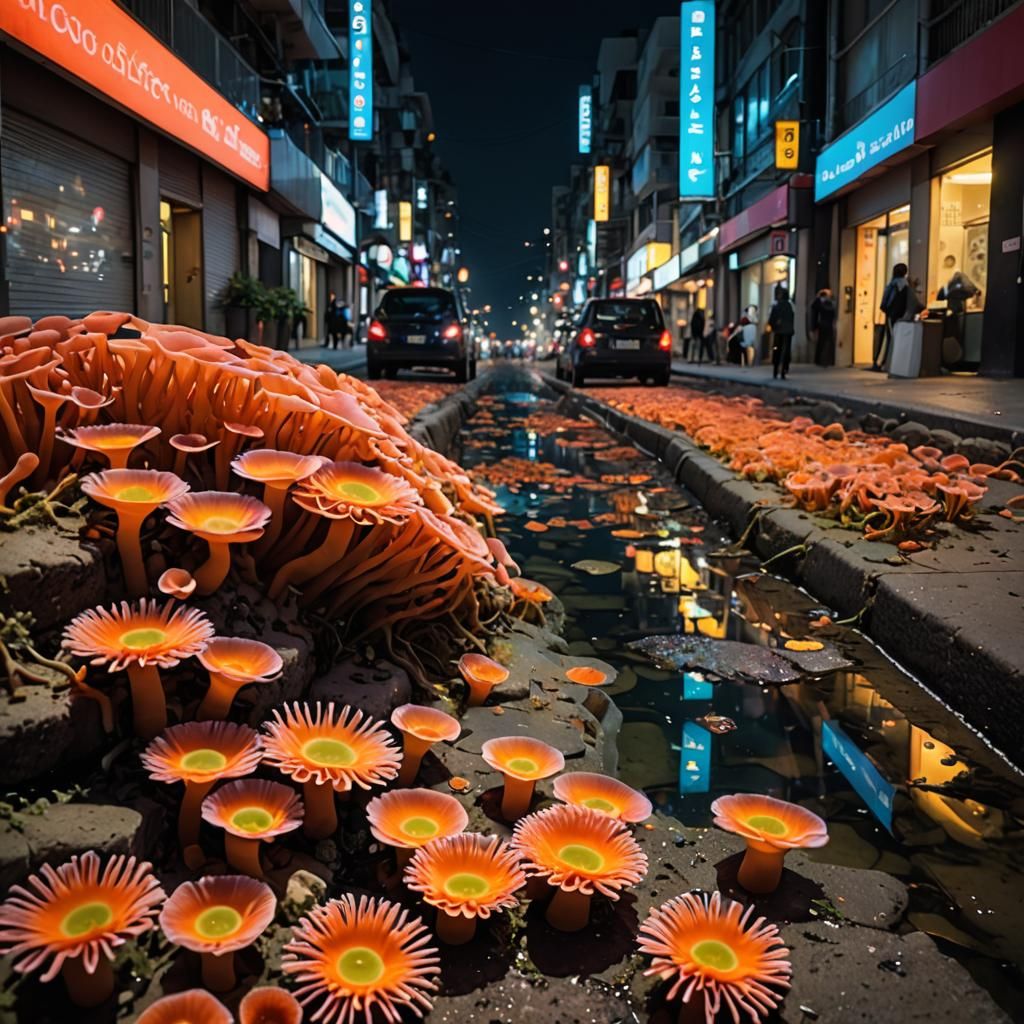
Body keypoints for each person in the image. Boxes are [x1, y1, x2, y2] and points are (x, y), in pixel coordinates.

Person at [768, 286, 795, 379]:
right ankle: (784, 370)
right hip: (788, 332)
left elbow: (771, 320)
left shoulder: (777, 306)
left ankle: (775, 370)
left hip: (779, 331)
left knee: (777, 350)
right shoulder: (790, 306)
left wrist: (774, 326)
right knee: (786, 351)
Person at [809, 287, 837, 367]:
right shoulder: (830, 304)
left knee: (821, 343)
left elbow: (814, 311)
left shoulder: (819, 304)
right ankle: (827, 360)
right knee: (827, 343)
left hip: (822, 326)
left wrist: (813, 328)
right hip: (828, 326)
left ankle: (820, 360)